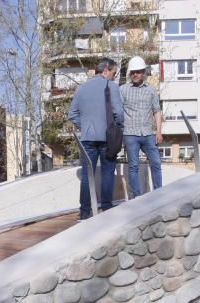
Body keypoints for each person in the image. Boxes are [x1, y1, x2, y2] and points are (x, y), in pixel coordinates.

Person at [67, 58, 123, 219]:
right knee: (107, 172)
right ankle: (106, 209)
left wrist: (84, 125)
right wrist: (116, 126)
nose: (113, 77)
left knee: (87, 175)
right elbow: (118, 113)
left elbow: (72, 115)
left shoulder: (81, 89)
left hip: (87, 138)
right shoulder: (112, 87)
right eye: (113, 73)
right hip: (107, 137)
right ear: (105, 69)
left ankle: (84, 212)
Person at [119, 56, 163, 198]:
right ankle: (136, 197)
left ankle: (159, 193)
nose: (135, 74)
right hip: (130, 134)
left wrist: (159, 132)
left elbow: (156, 111)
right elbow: (118, 112)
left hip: (148, 133)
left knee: (156, 162)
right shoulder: (123, 90)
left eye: (138, 72)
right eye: (132, 72)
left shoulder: (151, 90)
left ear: (144, 72)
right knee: (133, 166)